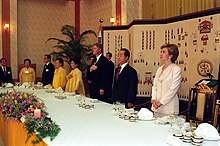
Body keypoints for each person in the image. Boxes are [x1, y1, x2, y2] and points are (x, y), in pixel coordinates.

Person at [151, 44, 182, 117]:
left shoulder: (176, 69)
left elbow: (173, 89)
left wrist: (161, 102)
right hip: (156, 107)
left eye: (164, 52)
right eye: (161, 51)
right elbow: (154, 86)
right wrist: (154, 99)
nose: (161, 54)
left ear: (171, 55)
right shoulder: (159, 69)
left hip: (169, 108)